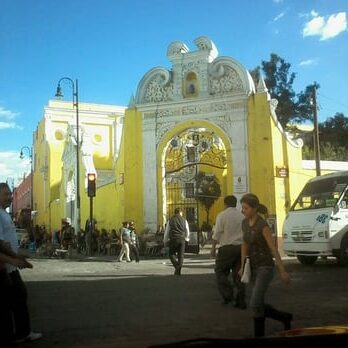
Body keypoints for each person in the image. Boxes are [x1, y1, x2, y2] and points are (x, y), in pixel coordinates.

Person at [239, 193, 292, 337]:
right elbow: (244, 244)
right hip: (253, 266)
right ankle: (265, 331)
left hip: (265, 267)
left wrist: (282, 271)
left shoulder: (263, 225)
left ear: (255, 208)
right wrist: (242, 265)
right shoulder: (244, 223)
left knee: (255, 303)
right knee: (258, 305)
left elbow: (273, 248)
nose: (243, 211)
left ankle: (282, 317)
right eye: (242, 208)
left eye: (246, 208)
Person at [0, 182, 42, 343]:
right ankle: (19, 333)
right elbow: (1, 243)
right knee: (13, 300)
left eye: (10, 194)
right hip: (6, 266)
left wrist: (18, 256)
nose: (10, 197)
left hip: (9, 265)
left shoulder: (4, 213)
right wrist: (15, 258)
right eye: (6, 194)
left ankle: (21, 332)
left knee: (17, 298)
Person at [210, 195, 246, 308]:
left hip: (226, 248)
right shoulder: (242, 216)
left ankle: (228, 294)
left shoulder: (222, 215)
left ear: (225, 204)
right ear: (236, 204)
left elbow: (217, 233)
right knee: (239, 273)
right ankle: (240, 300)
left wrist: (213, 248)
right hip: (240, 248)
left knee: (220, 271)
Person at [163, 208, 190, 275]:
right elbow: (187, 230)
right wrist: (187, 238)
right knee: (181, 255)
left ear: (174, 213)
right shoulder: (184, 220)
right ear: (180, 213)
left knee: (171, 254)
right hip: (182, 239)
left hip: (173, 239)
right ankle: (179, 267)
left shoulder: (170, 220)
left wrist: (165, 241)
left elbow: (167, 231)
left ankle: (176, 266)